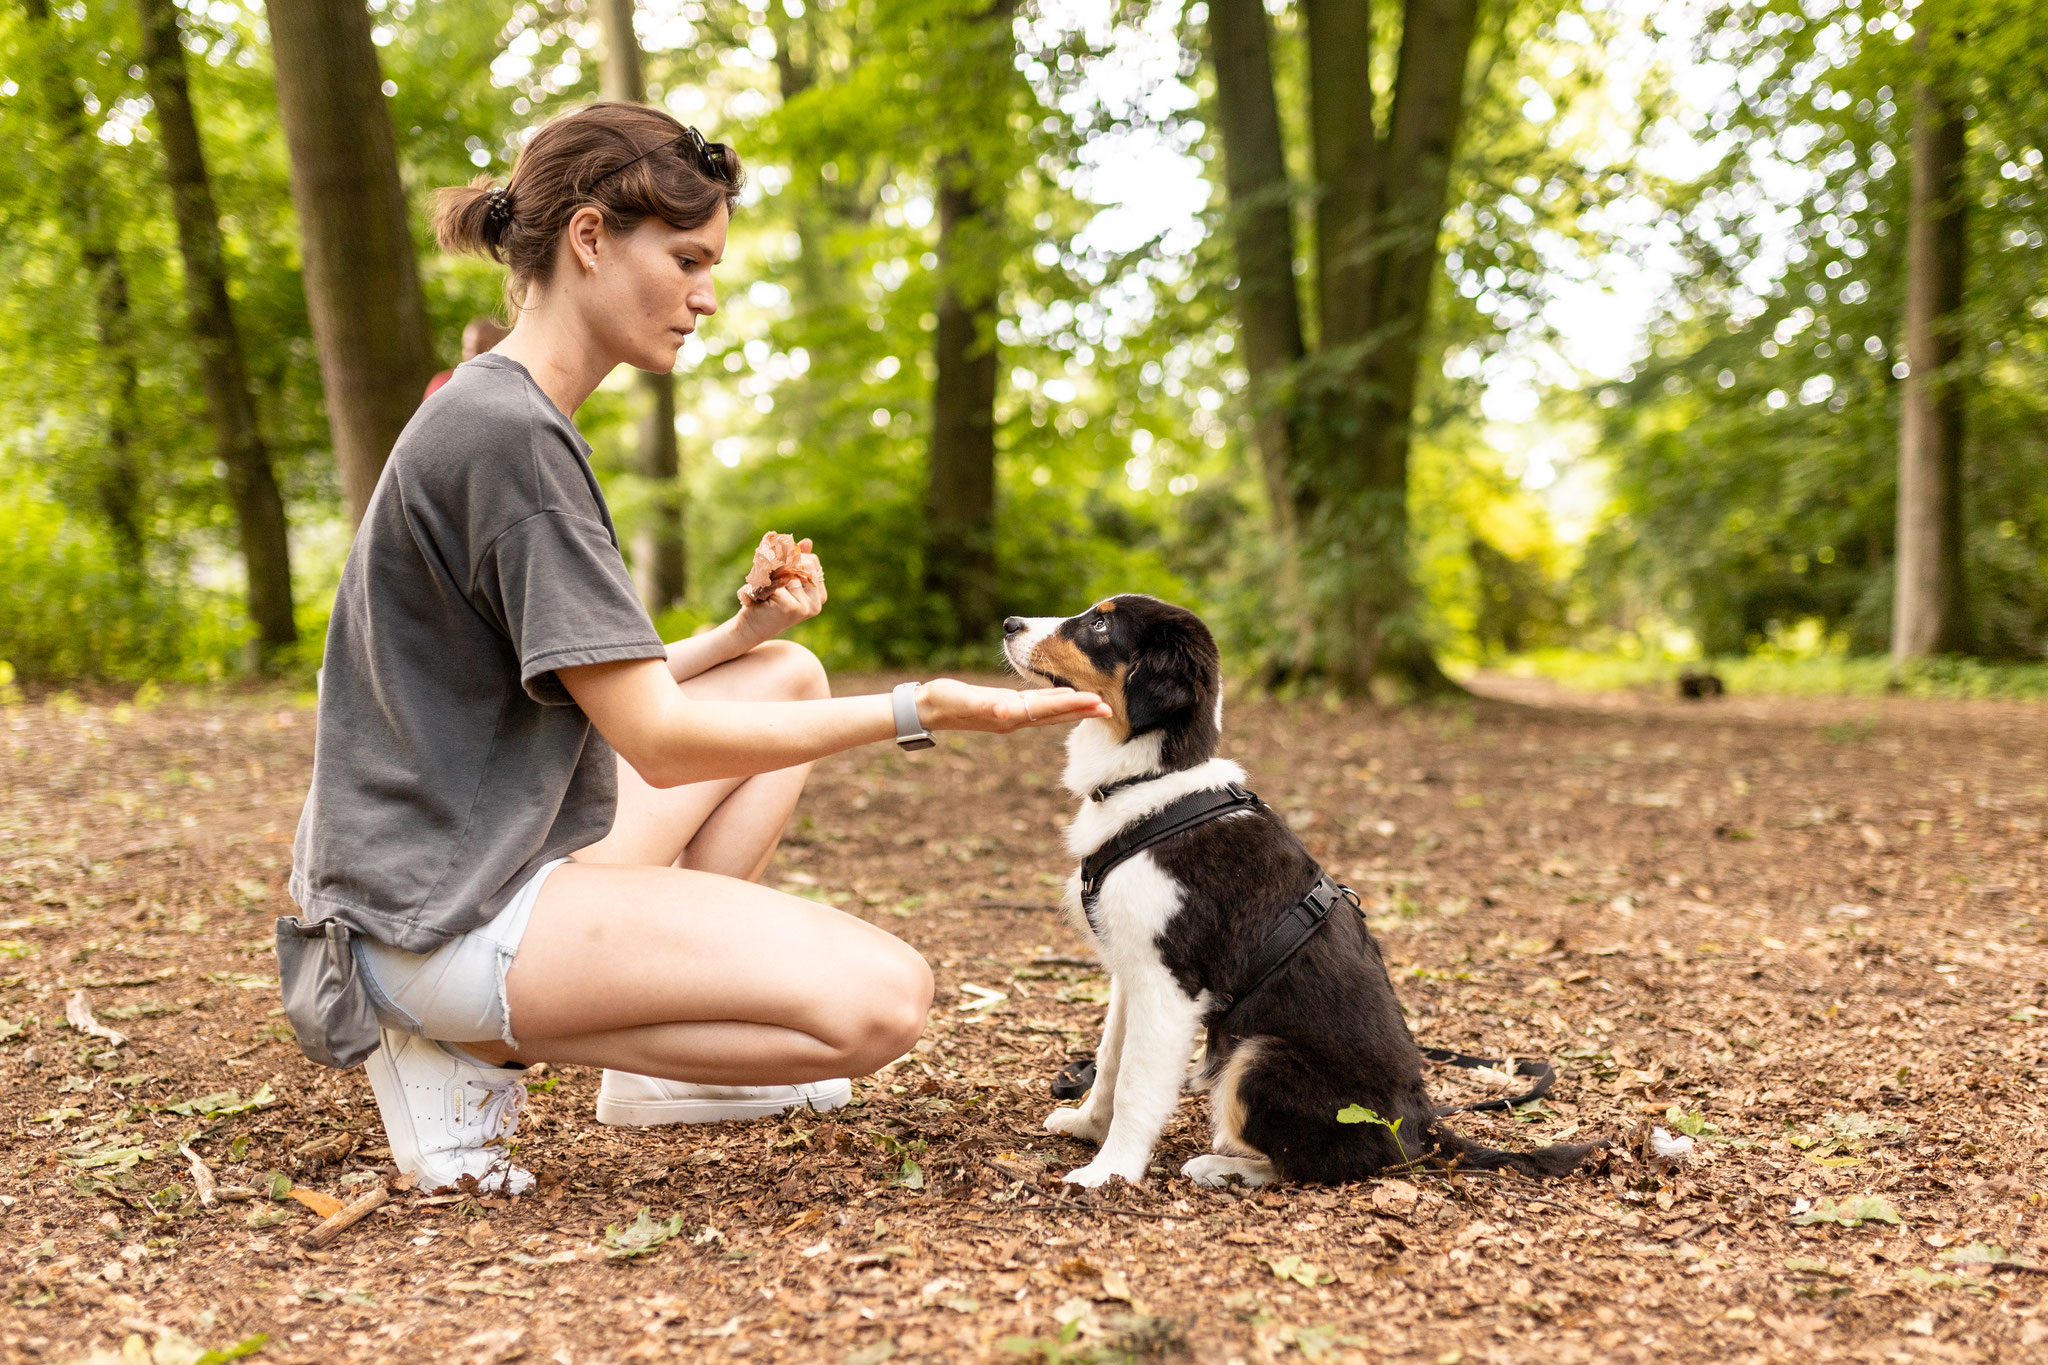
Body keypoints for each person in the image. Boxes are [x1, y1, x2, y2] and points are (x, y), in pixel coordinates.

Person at [275, 101, 1109, 1194]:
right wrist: (924, 708)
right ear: (587, 239)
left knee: (782, 675)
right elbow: (659, 746)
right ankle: (462, 1044)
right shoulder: (510, 440)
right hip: (435, 911)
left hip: (465, 848)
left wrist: (741, 633)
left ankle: (667, 1073)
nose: (705, 294)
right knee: (880, 1001)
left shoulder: (505, 414)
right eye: (685, 259)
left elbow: (551, 690)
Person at [423, 317, 511, 400]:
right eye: (469, 348)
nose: (475, 354)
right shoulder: (442, 384)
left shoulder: (513, 387)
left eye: (483, 347)